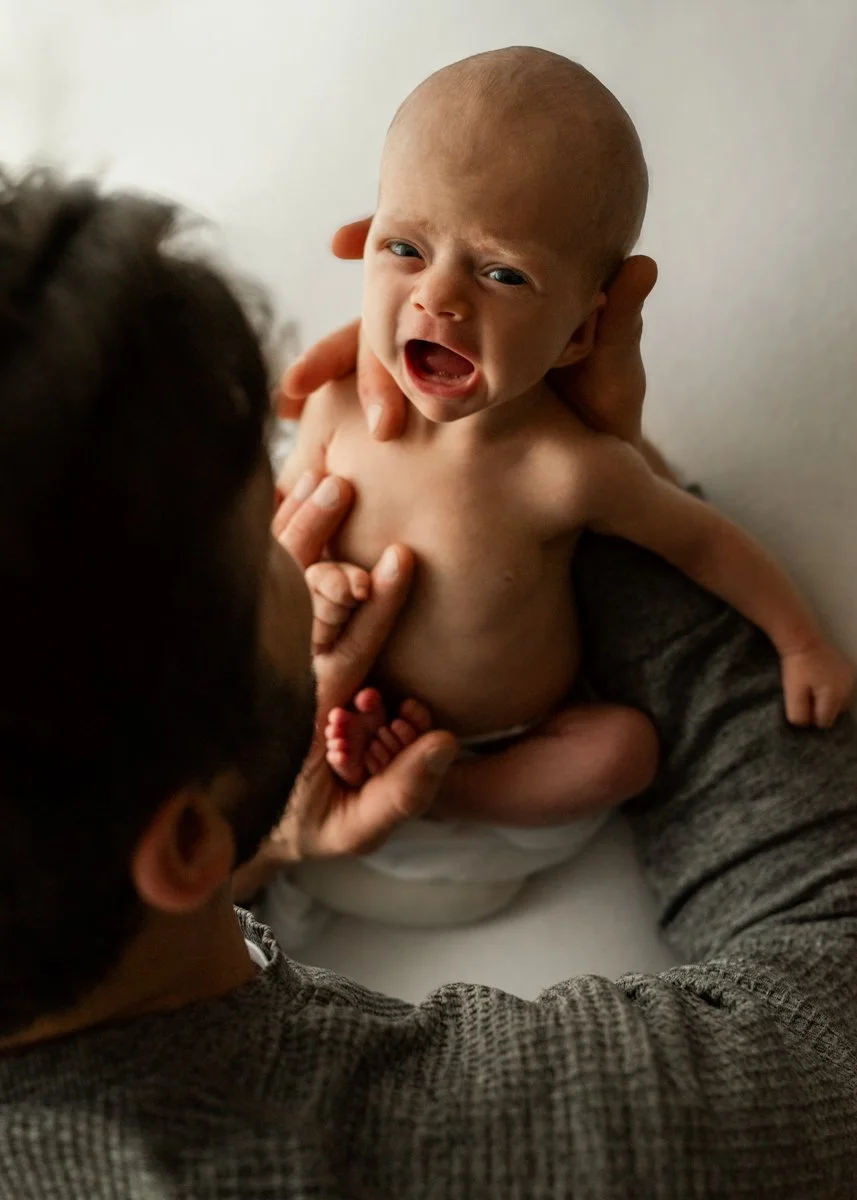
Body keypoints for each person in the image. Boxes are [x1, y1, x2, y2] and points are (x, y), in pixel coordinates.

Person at [1, 170, 856, 1199]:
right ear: (181, 840)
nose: (307, 526)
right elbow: (827, 1008)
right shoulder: (465, 1151)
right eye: (267, 536)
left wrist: (253, 841)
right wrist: (575, 466)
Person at [277, 47, 853, 921]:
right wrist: (309, 588)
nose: (437, 297)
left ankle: (438, 792)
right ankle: (353, 788)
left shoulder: (563, 467)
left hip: (505, 746)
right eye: (405, 247)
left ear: (582, 334)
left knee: (621, 750)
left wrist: (800, 640)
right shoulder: (333, 405)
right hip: (336, 716)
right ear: (364, 244)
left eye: (501, 272)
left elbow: (700, 540)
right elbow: (283, 526)